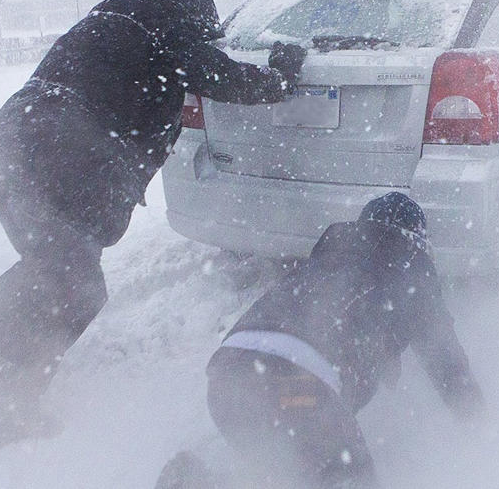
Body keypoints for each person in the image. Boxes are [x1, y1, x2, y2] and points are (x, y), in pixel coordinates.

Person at [0, 0, 308, 446]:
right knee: (76, 286)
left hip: (8, 145)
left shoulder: (113, 18)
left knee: (51, 270)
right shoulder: (167, 31)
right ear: (191, 13)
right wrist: (282, 74)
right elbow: (229, 79)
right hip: (62, 154)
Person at [195, 192, 484, 488]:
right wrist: (479, 422)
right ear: (419, 239)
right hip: (302, 383)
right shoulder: (411, 266)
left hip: (227, 374)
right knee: (351, 478)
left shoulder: (332, 252)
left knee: (271, 461)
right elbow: (446, 361)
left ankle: (200, 478)